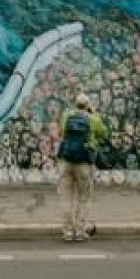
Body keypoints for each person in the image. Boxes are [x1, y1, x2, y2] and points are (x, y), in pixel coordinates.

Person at [56, 93, 107, 242]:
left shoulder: (67, 115)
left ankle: (67, 231)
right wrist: (94, 113)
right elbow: (103, 133)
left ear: (75, 104)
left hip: (66, 161)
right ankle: (79, 230)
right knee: (84, 197)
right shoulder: (92, 118)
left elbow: (61, 132)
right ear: (87, 104)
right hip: (84, 162)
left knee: (66, 197)